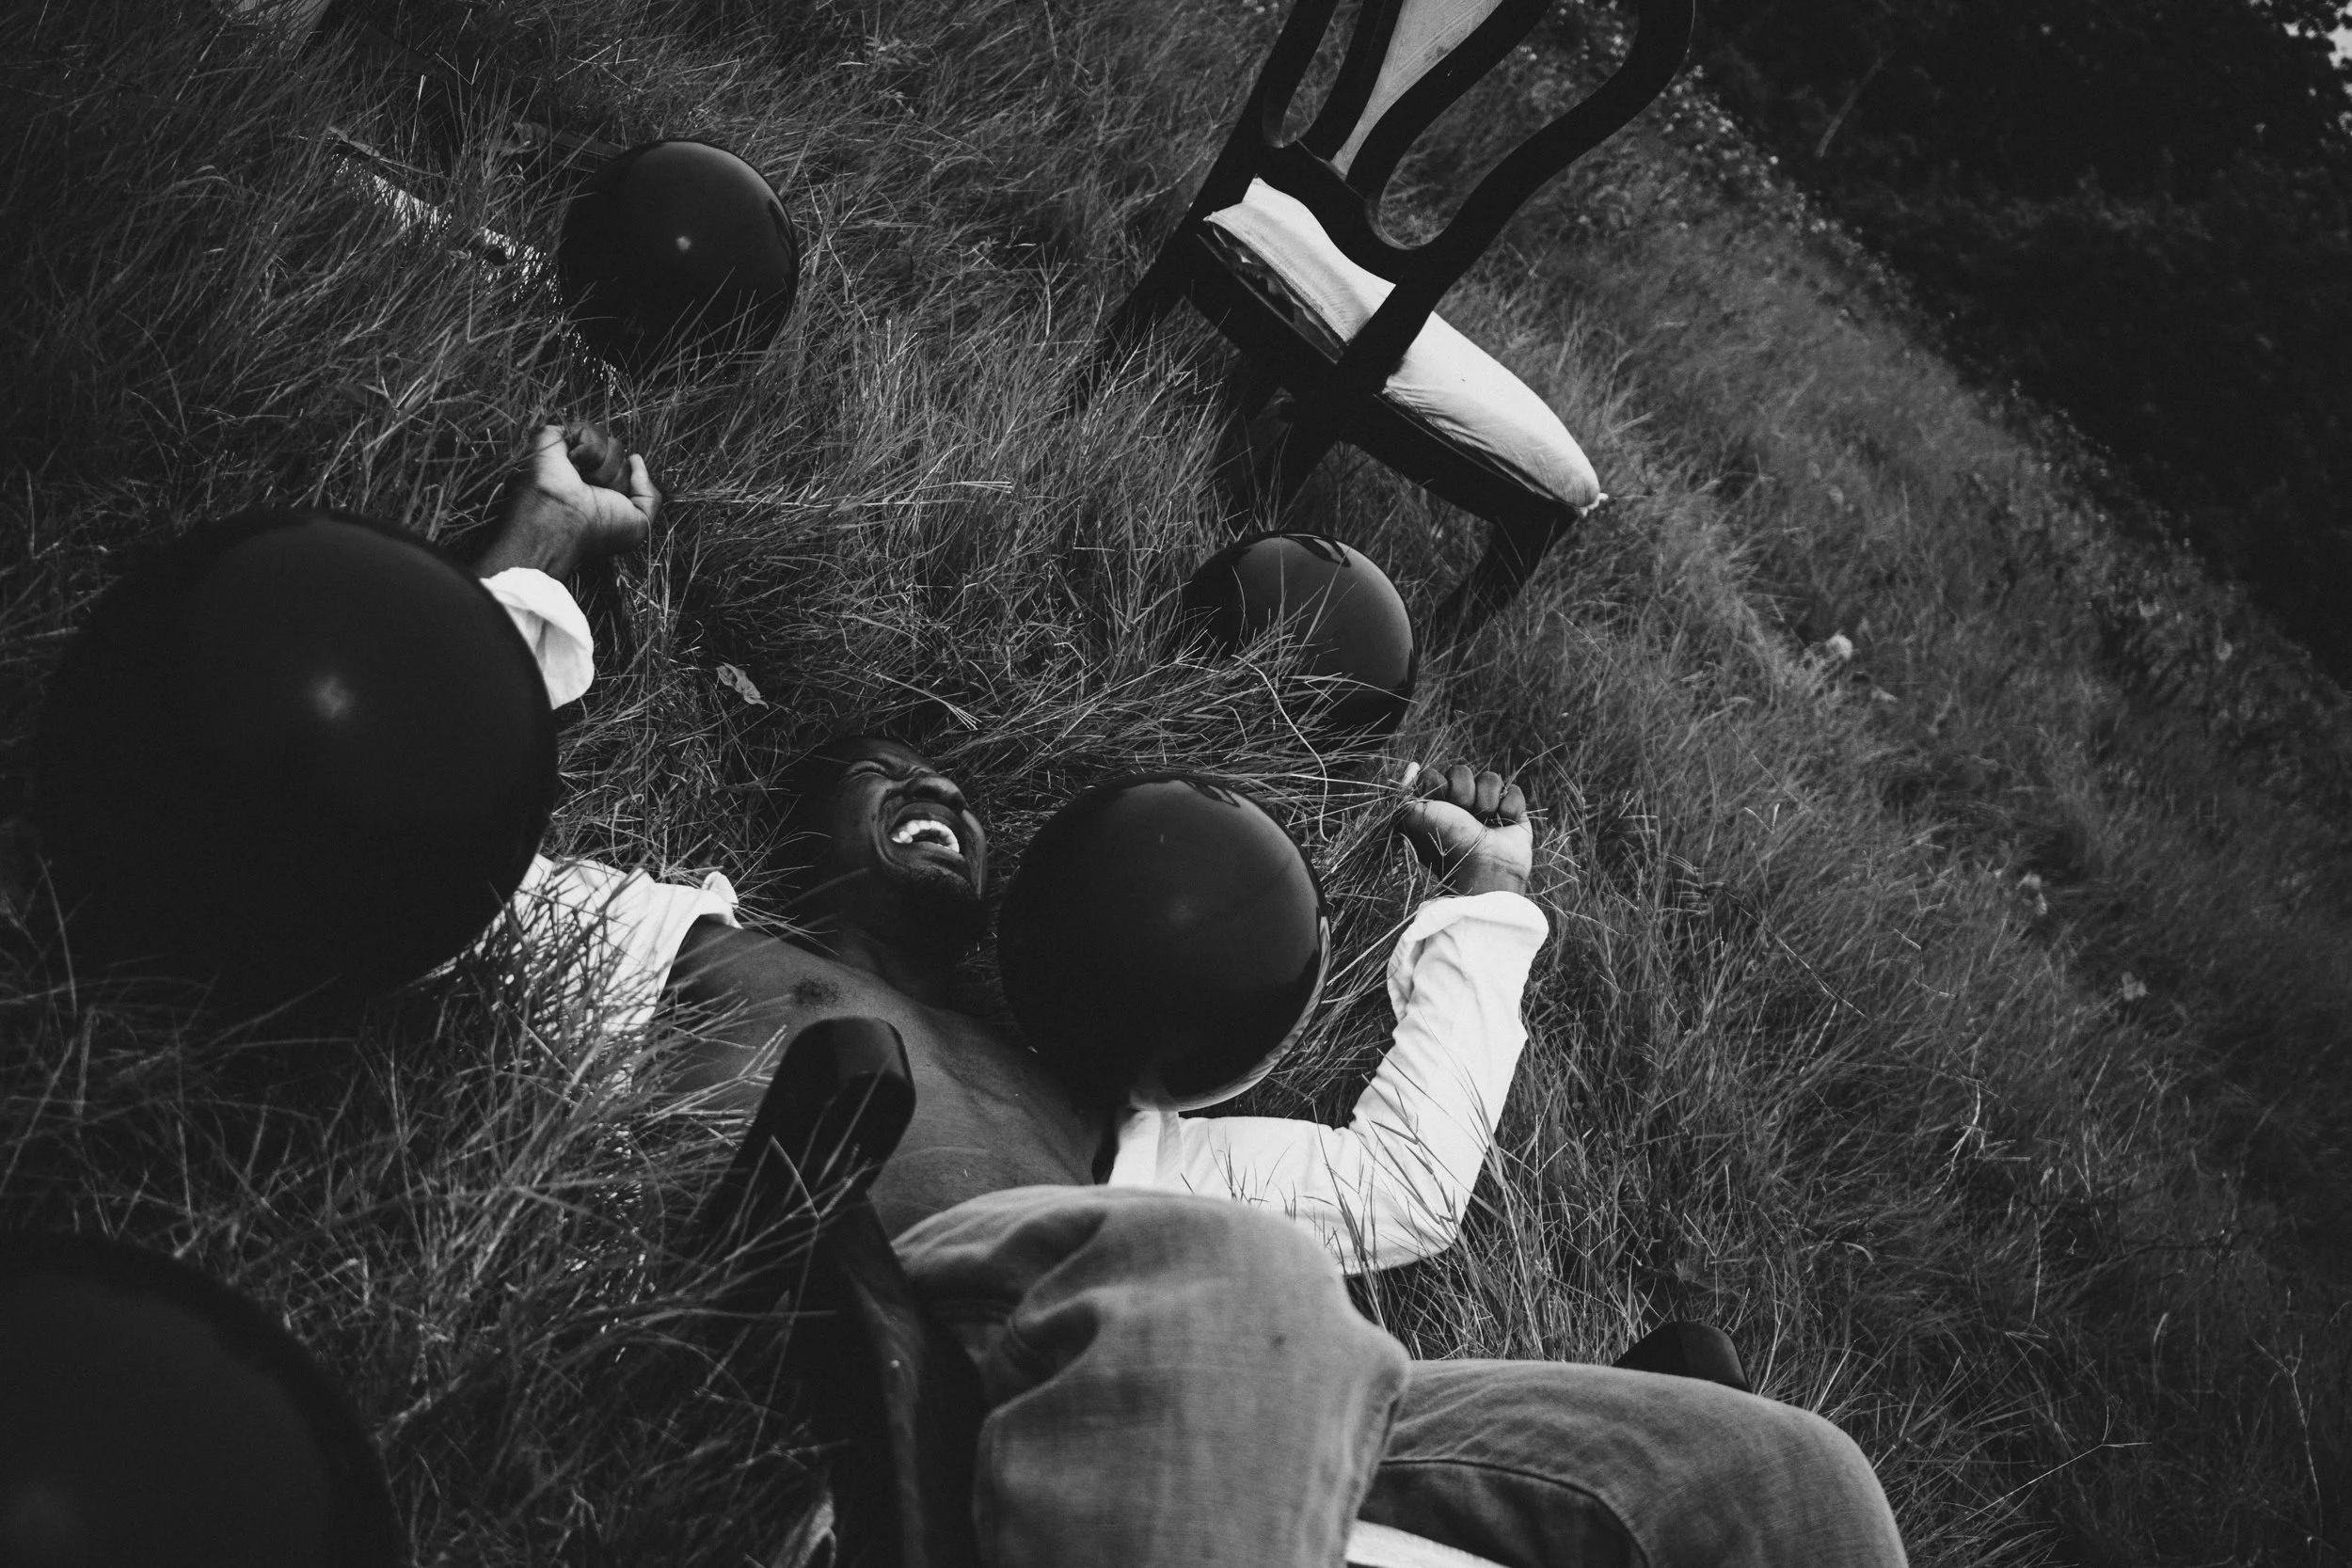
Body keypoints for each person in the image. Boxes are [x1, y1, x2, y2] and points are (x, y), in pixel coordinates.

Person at [480, 432, 1909, 1567]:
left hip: (1263, 1484)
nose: (943, 802)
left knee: (1792, 1479)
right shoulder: (657, 939)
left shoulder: (1123, 1117)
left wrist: (1485, 903)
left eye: (969, 806)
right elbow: (412, 801)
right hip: (914, 1467)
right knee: (1249, 1280)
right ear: (787, 860)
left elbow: (1401, 1184)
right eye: (886, 785)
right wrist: (546, 549)